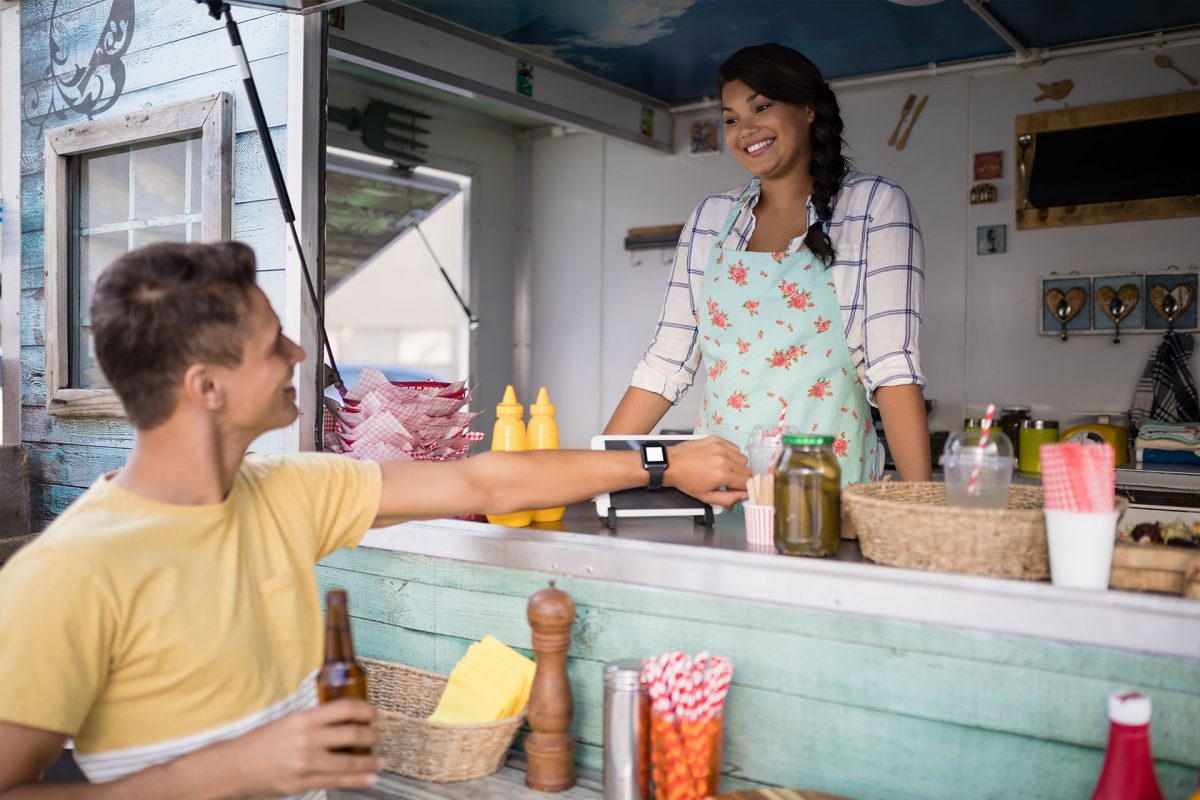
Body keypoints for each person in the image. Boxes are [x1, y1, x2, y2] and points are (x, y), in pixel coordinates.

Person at [0, 241, 749, 799]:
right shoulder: (66, 575)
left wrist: (660, 463)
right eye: (273, 344)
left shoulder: (287, 492)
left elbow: (481, 477)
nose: (301, 353)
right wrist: (232, 768)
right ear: (207, 388)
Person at [605, 43, 932, 484]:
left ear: (809, 108)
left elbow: (893, 366)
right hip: (719, 489)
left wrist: (918, 506)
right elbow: (665, 364)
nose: (746, 129)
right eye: (732, 118)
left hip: (828, 492)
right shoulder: (711, 219)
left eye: (762, 107)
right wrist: (594, 473)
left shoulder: (874, 206)